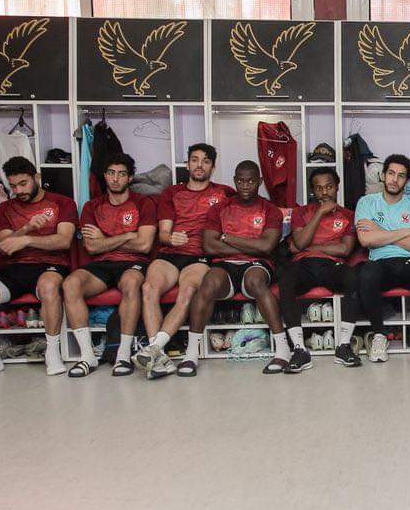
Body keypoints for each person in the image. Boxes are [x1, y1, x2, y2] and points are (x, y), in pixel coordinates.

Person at [0, 157, 78, 378]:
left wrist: (26, 240)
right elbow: (4, 245)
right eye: (13, 186)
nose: (18, 190)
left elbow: (63, 240)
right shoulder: (5, 207)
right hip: (13, 268)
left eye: (23, 183)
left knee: (49, 285)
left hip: (50, 265)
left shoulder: (62, 203)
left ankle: (52, 352)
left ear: (37, 178)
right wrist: (26, 229)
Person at [180, 161, 289, 377]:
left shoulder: (270, 210)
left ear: (259, 181)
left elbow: (266, 247)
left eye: (251, 181)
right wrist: (250, 245)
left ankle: (282, 349)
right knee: (209, 282)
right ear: (234, 181)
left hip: (257, 264)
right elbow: (209, 246)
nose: (245, 186)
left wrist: (226, 237)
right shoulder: (220, 208)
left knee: (255, 281)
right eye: (240, 181)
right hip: (225, 264)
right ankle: (191, 354)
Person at [135, 143, 234, 378]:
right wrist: (171, 238)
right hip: (170, 253)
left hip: (199, 256)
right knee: (148, 288)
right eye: (195, 160)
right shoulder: (172, 193)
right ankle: (158, 356)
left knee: (188, 291)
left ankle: (153, 351)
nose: (199, 165)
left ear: (213, 167)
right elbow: (163, 234)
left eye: (206, 161)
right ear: (187, 164)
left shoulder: (224, 193)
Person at [61, 153, 155, 378]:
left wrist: (105, 239)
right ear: (104, 175)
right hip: (101, 264)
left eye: (121, 174)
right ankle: (87, 356)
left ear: (129, 178)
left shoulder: (144, 203)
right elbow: (92, 247)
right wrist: (127, 235)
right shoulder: (92, 207)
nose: (115, 178)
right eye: (111, 173)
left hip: (133, 263)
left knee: (132, 282)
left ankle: (123, 354)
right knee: (71, 284)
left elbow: (144, 245)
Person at [355, 154, 410, 369]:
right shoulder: (366, 203)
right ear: (383, 175)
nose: (394, 179)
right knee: (366, 273)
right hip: (380, 263)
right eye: (391, 173)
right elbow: (366, 240)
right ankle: (379, 335)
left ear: (407, 181)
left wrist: (380, 231)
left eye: (401, 176)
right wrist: (404, 232)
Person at [279, 168, 364, 373]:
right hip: (304, 264)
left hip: (332, 265)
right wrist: (320, 213)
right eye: (319, 188)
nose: (324, 192)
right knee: (286, 280)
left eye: (329, 187)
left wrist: (311, 247)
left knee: (354, 278)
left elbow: (344, 249)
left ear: (337, 187)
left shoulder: (348, 215)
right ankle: (299, 350)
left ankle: (343, 346)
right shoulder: (300, 212)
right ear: (313, 191)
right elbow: (300, 242)